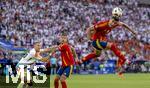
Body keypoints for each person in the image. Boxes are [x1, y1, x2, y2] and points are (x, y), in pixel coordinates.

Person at [78, 7, 137, 76]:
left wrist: (132, 31)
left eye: (115, 22)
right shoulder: (103, 24)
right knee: (112, 46)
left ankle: (81, 60)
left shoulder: (115, 23)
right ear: (111, 19)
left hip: (99, 42)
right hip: (96, 42)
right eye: (113, 22)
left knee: (97, 54)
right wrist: (89, 39)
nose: (113, 24)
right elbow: (88, 29)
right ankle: (125, 60)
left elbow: (124, 24)